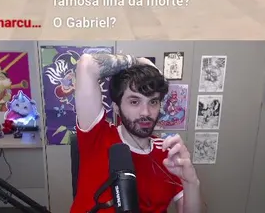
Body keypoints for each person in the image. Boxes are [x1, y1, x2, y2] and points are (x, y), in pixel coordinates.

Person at [70, 53, 201, 213]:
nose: (145, 112)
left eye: (153, 102)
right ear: (117, 108)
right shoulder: (97, 136)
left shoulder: (168, 154)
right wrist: (140, 62)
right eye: (134, 101)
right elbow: (87, 65)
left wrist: (191, 182)